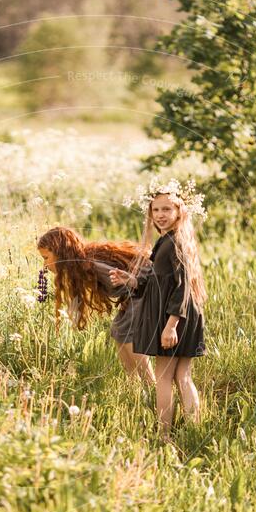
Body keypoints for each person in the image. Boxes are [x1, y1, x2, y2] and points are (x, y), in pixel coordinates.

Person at [109, 178, 207, 438]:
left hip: (175, 318)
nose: (161, 215)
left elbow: (182, 287)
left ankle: (164, 434)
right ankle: (193, 430)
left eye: (167, 209)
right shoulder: (170, 241)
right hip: (184, 314)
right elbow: (157, 284)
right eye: (156, 210)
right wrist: (129, 280)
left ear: (179, 212)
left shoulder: (175, 243)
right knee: (181, 376)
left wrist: (170, 326)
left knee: (164, 377)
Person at [37, 226, 155, 386]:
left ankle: (150, 383)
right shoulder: (81, 266)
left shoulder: (92, 264)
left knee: (126, 330)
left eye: (46, 257)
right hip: (137, 292)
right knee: (118, 329)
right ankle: (134, 384)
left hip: (150, 287)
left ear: (59, 253)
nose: (44, 265)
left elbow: (138, 277)